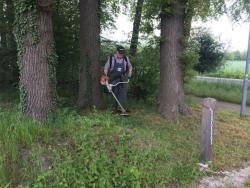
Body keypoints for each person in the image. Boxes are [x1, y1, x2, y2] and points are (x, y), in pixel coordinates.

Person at [104, 45, 133, 112]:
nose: (121, 55)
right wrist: (106, 78)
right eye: (120, 53)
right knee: (114, 91)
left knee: (123, 92)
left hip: (122, 77)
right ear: (117, 52)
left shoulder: (126, 58)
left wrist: (129, 76)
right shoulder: (111, 58)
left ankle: (122, 108)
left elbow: (130, 67)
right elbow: (106, 68)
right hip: (113, 77)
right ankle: (113, 109)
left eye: (122, 53)